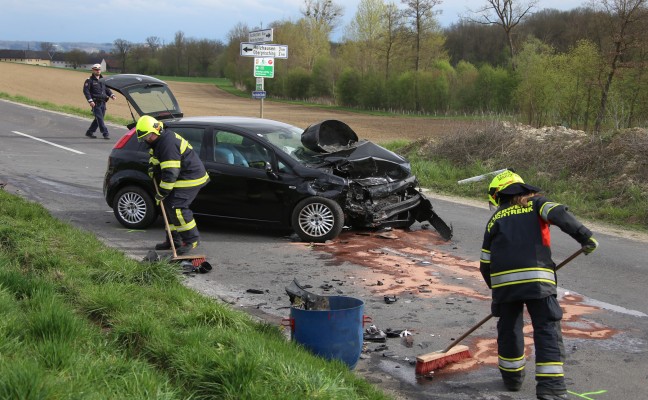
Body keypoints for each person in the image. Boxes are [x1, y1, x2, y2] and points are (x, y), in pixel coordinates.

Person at [479, 170, 598, 400]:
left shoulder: (494, 219)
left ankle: (512, 379)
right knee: (546, 328)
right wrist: (585, 237)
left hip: (505, 285)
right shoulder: (537, 204)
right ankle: (551, 387)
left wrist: (497, 293)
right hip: (538, 280)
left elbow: (485, 263)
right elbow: (560, 214)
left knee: (509, 329)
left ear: (498, 196)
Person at [135, 115, 210, 255]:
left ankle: (191, 240)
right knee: (169, 207)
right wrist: (153, 165)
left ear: (155, 131)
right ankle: (173, 241)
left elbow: (170, 174)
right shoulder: (159, 140)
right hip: (181, 176)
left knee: (177, 207)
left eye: (147, 136)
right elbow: (156, 156)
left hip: (190, 177)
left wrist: (162, 193)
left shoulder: (167, 144)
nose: (146, 140)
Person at [82, 63, 116, 139]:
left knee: (98, 118)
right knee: (100, 119)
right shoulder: (89, 80)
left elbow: (106, 89)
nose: (98, 71)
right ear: (93, 70)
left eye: (99, 69)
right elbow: (86, 91)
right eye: (96, 69)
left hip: (103, 103)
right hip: (95, 103)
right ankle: (105, 133)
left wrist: (112, 95)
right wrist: (90, 101)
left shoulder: (102, 80)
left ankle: (90, 132)